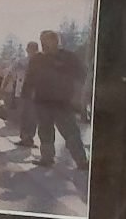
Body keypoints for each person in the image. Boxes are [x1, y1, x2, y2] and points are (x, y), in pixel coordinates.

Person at [23, 30, 88, 169]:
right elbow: (29, 80)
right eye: (42, 40)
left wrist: (78, 97)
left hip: (62, 102)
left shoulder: (68, 57)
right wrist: (26, 97)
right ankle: (47, 158)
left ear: (56, 41)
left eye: (48, 40)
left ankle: (81, 160)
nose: (44, 44)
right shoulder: (37, 59)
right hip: (42, 101)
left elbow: (82, 75)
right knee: (45, 131)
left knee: (71, 132)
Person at [15, 41, 39, 147]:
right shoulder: (22, 61)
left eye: (33, 49)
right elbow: (13, 73)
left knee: (32, 117)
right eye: (30, 48)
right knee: (24, 115)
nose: (31, 51)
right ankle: (24, 137)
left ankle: (29, 138)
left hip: (36, 92)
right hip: (24, 91)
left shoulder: (40, 62)